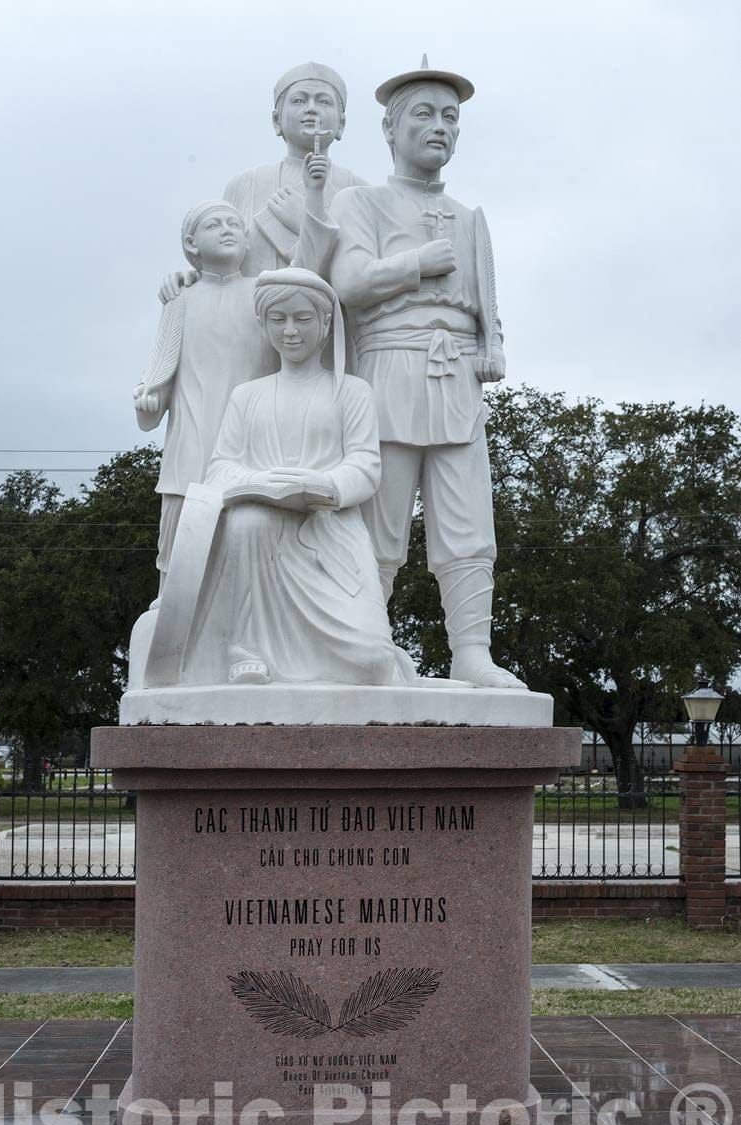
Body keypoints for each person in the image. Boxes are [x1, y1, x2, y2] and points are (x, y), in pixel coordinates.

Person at [301, 59, 526, 689]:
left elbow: (487, 302)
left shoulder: (469, 216)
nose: (440, 127)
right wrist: (416, 263)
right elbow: (345, 284)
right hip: (389, 370)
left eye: (450, 117)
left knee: (468, 524)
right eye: (424, 114)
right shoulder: (362, 202)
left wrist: (493, 345)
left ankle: (472, 652)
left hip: (456, 377)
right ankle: (364, 645)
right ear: (390, 128)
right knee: (378, 524)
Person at [169, 268, 414, 687]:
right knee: (249, 522)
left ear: (324, 325)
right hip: (261, 535)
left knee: (373, 664)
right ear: (263, 325)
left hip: (330, 534)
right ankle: (247, 647)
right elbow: (222, 465)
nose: (291, 331)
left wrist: (324, 487)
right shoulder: (248, 396)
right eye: (278, 319)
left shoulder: (351, 391)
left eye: (302, 319)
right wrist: (264, 484)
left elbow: (365, 465)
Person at [134, 199, 277, 597]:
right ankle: (171, 613)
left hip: (252, 443)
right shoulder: (180, 301)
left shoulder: (265, 297)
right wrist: (149, 400)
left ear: (248, 241)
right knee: (180, 545)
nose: (228, 229)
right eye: (215, 225)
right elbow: (158, 376)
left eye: (234, 223)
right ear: (191, 244)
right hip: (191, 442)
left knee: (249, 539)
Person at [158, 62, 366, 301]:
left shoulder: (359, 189)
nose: (311, 109)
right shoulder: (247, 183)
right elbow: (225, 260)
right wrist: (198, 277)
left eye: (323, 101)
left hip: (334, 323)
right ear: (277, 121)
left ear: (341, 123)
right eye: (299, 100)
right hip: (254, 318)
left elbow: (361, 269)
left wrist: (305, 221)